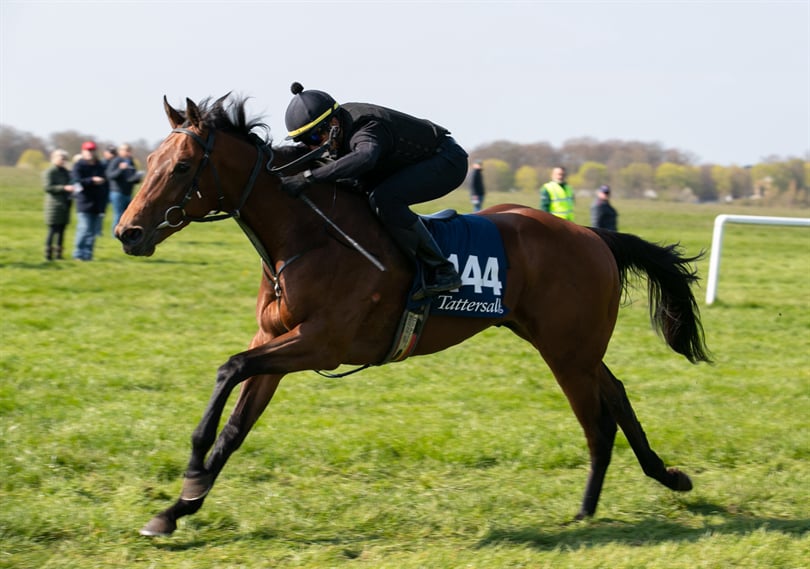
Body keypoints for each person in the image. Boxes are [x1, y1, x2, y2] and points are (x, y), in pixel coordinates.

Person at [279, 82, 468, 300]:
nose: (312, 146)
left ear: (333, 124)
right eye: (305, 141)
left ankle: (443, 270)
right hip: (408, 163)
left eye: (314, 138)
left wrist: (309, 177)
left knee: (385, 198)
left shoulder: (366, 126)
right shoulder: (338, 128)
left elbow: (366, 157)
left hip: (447, 162)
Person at [71, 141, 109, 261]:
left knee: (92, 232)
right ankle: (78, 254)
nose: (90, 152)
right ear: (83, 151)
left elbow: (106, 182)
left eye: (92, 150)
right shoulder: (79, 165)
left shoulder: (100, 166)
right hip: (84, 202)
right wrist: (92, 180)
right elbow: (76, 181)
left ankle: (88, 255)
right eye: (87, 150)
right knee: (84, 229)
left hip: (98, 202)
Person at [42, 149, 75, 260]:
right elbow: (47, 187)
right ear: (54, 159)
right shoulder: (50, 172)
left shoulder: (66, 172)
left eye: (65, 159)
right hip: (54, 204)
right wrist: (64, 188)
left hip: (65, 204)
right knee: (53, 229)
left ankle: (58, 254)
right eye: (61, 158)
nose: (63, 161)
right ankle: (48, 253)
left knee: (62, 230)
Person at [106, 143, 142, 236]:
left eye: (129, 150)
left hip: (128, 192)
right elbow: (110, 175)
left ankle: (124, 233)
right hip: (117, 192)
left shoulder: (131, 161)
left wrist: (137, 178)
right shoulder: (116, 161)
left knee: (127, 215)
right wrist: (120, 169)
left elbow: (130, 177)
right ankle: (115, 234)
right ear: (120, 151)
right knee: (118, 215)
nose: (128, 152)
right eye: (126, 150)